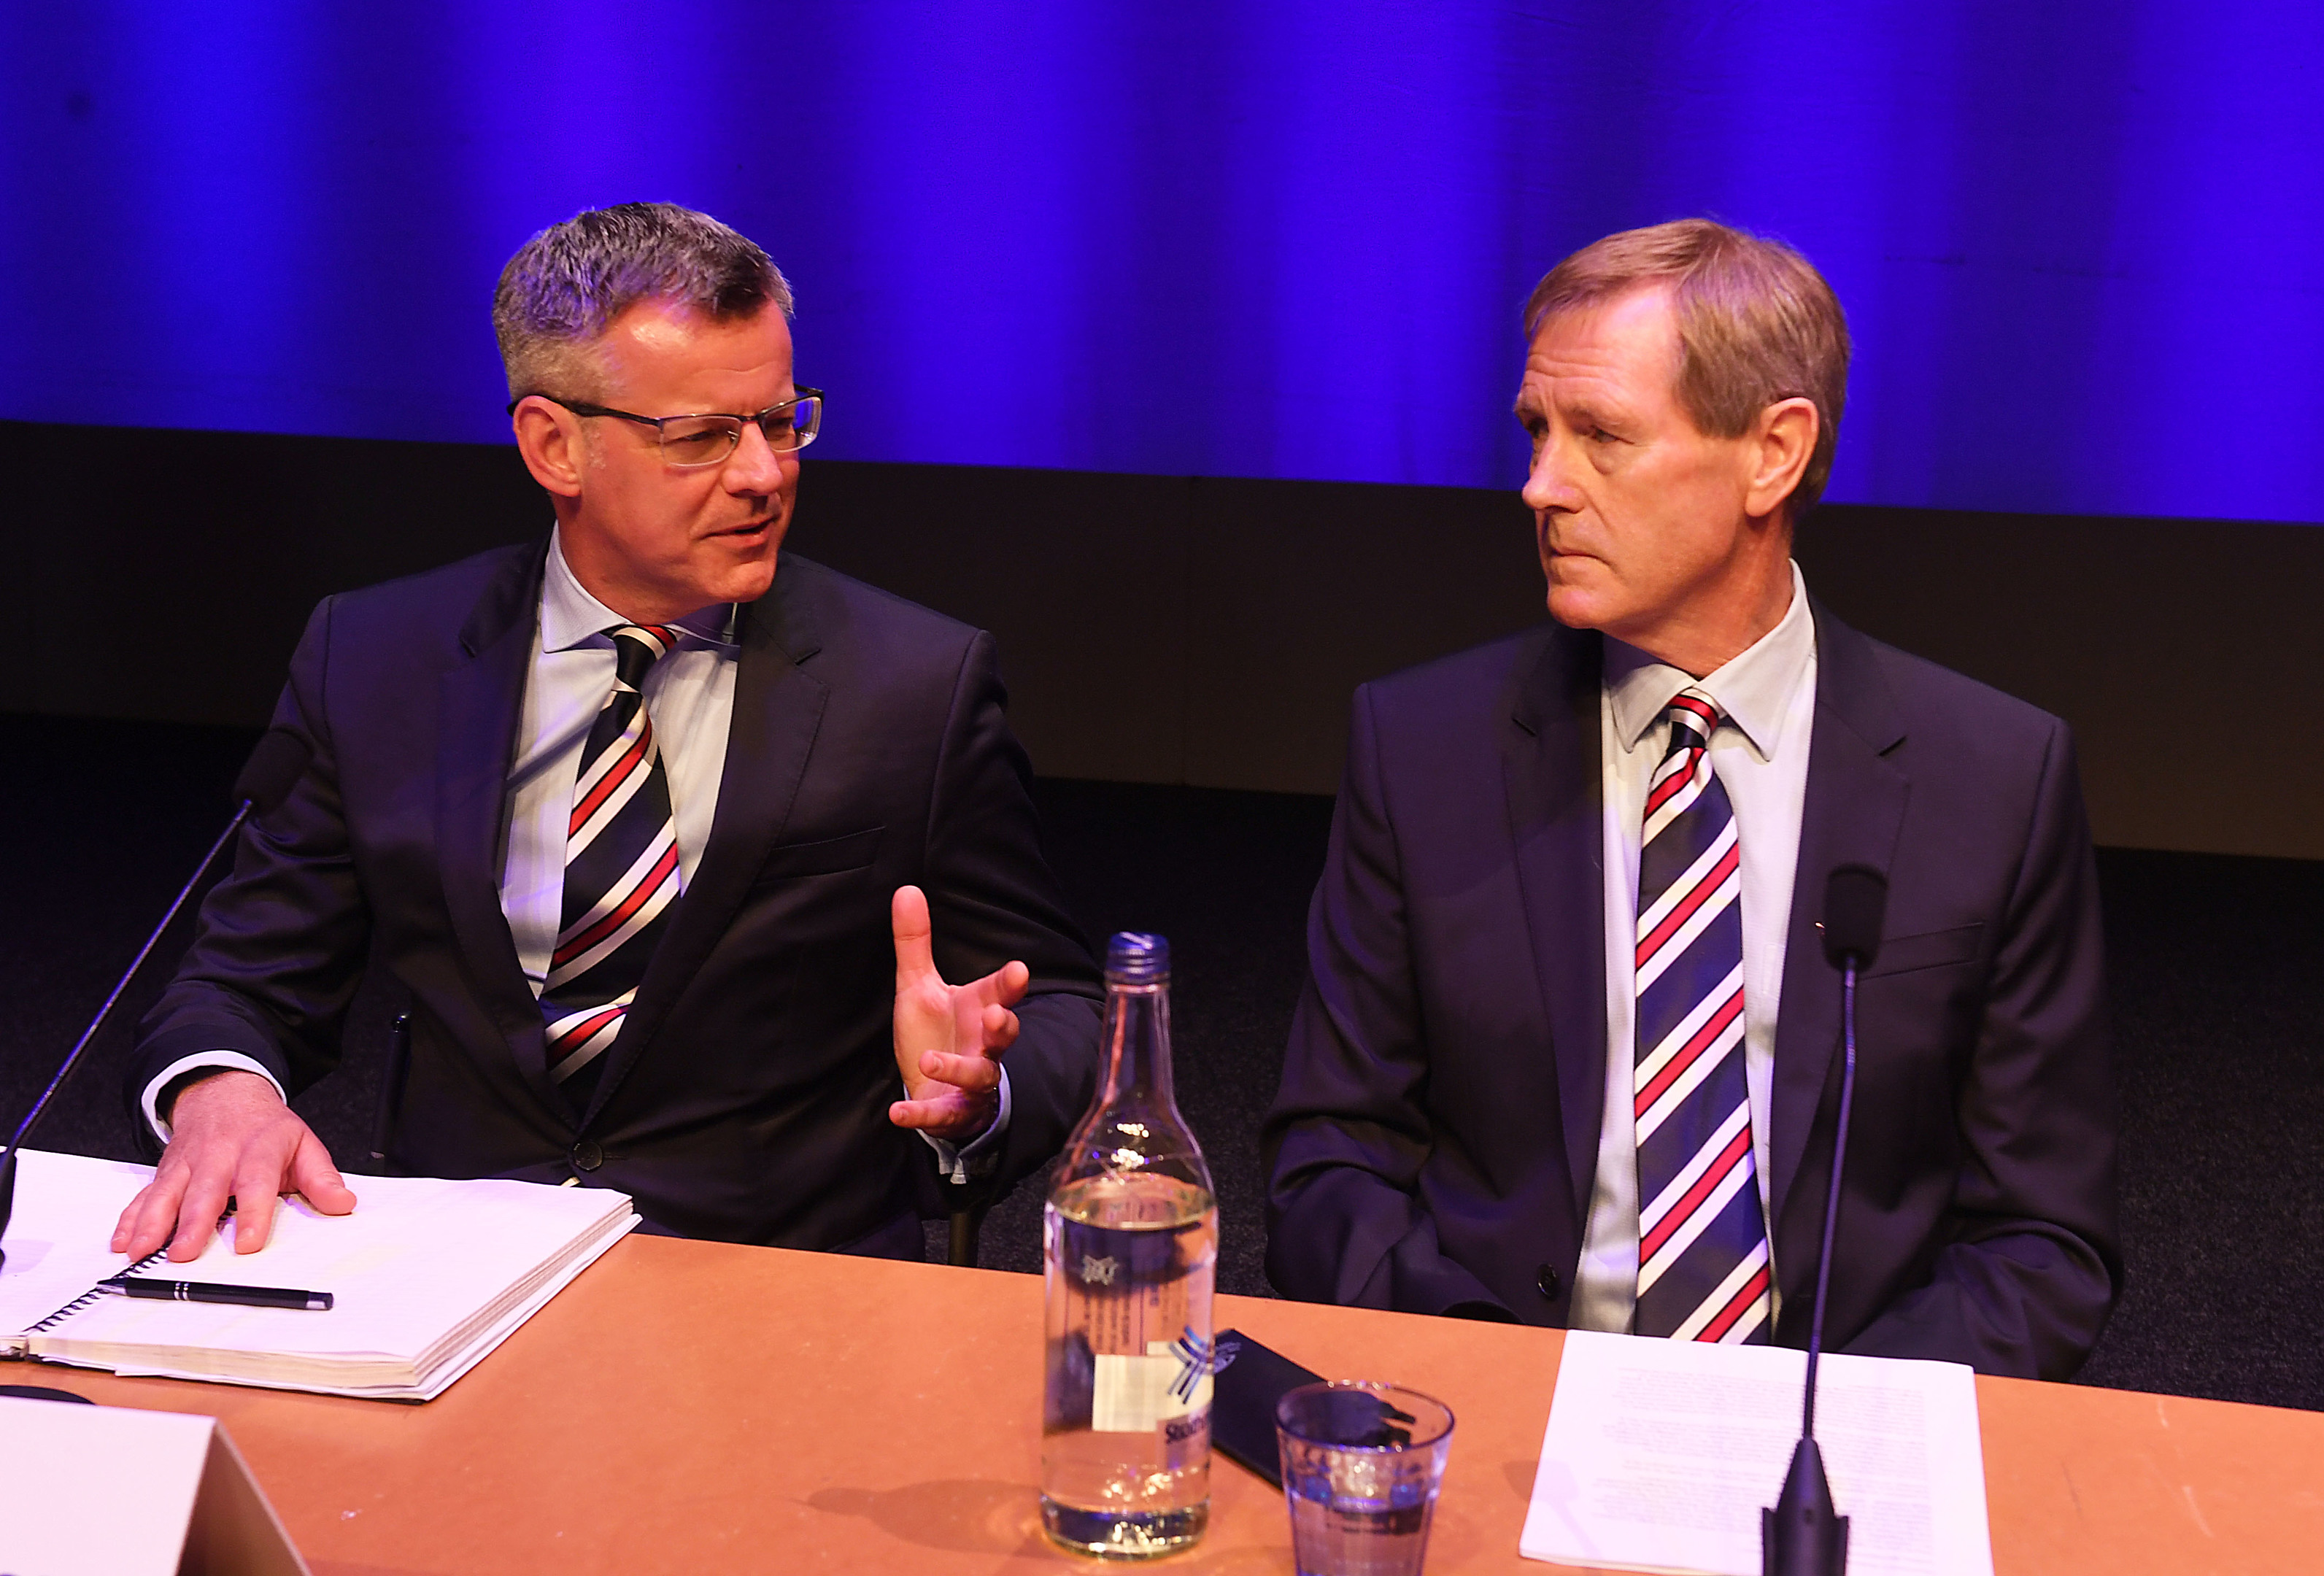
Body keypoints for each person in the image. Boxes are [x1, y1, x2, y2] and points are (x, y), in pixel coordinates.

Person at [115, 202, 1101, 1264]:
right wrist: (220, 1090)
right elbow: (247, 978)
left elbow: (1055, 1001)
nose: (765, 475)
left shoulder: (912, 685)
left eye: (779, 421)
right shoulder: (375, 658)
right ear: (554, 446)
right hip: (457, 1275)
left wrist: (977, 1095)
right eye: (703, 437)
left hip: (778, 1281)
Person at [1262, 219, 2118, 1378]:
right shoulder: (1422, 749)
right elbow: (1328, 1164)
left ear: (1772, 452)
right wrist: (1503, 1389)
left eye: (1600, 436)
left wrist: (1820, 1428)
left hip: (1833, 1455)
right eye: (1536, 431)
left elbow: (2044, 1241)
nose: (1538, 488)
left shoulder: (1993, 777)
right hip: (1500, 1417)